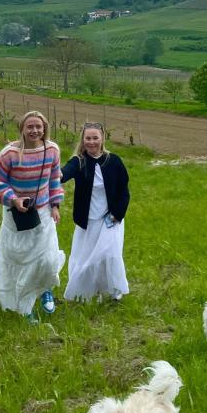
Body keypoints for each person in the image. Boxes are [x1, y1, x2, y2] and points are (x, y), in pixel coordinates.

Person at [0, 110, 65, 323]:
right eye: (30, 126)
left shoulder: (52, 150)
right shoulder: (9, 154)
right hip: (17, 214)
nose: (34, 130)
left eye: (38, 127)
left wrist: (55, 205)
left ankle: (45, 288)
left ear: (45, 128)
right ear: (22, 128)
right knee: (21, 262)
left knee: (48, 259)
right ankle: (25, 306)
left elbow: (55, 179)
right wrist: (13, 199)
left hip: (43, 212)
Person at [61, 122, 130, 302]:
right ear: (83, 140)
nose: (91, 142)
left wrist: (116, 214)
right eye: (88, 138)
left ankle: (114, 291)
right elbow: (63, 174)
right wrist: (49, 172)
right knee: (86, 257)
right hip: (88, 220)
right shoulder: (78, 161)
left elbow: (124, 190)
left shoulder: (113, 161)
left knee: (110, 254)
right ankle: (84, 292)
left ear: (102, 139)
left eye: (95, 138)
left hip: (110, 218)